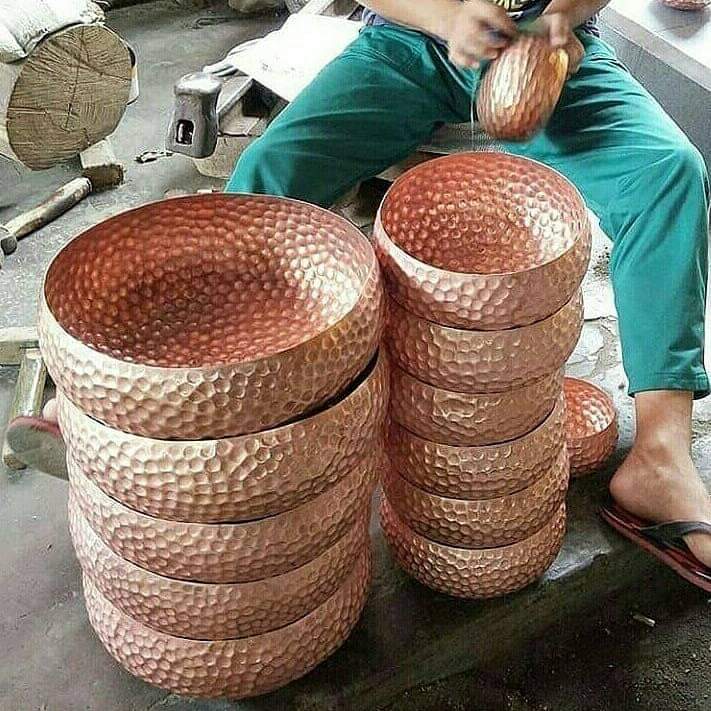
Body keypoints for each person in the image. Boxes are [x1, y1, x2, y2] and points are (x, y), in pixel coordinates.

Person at [225, 0, 711, 586]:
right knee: (263, 183)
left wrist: (560, 19)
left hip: (542, 49)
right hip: (410, 41)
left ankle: (660, 454)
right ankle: (237, 416)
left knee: (668, 175)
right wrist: (445, 20)